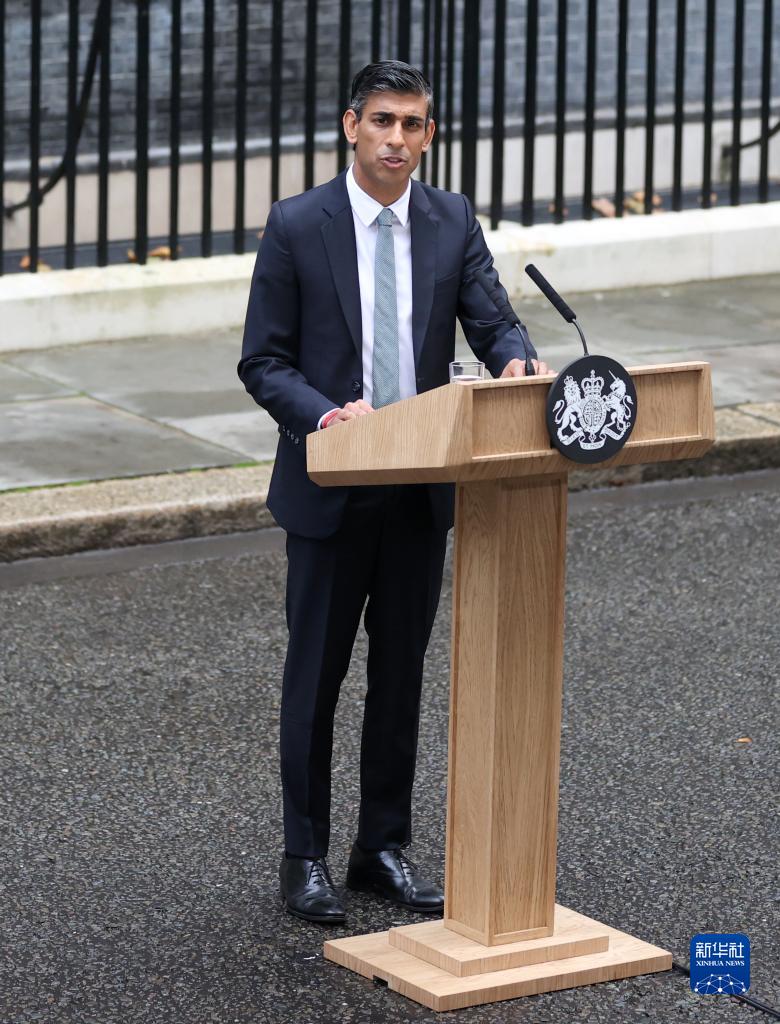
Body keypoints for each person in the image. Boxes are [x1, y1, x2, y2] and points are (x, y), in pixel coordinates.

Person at [238, 60, 548, 925]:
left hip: (419, 486)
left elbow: (493, 320)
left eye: (413, 124)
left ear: (429, 135)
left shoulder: (450, 220)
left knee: (400, 675)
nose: (397, 140)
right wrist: (326, 415)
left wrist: (515, 361)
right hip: (333, 485)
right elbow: (263, 360)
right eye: (382, 121)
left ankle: (380, 849)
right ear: (352, 126)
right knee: (317, 678)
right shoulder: (298, 225)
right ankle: (304, 857)